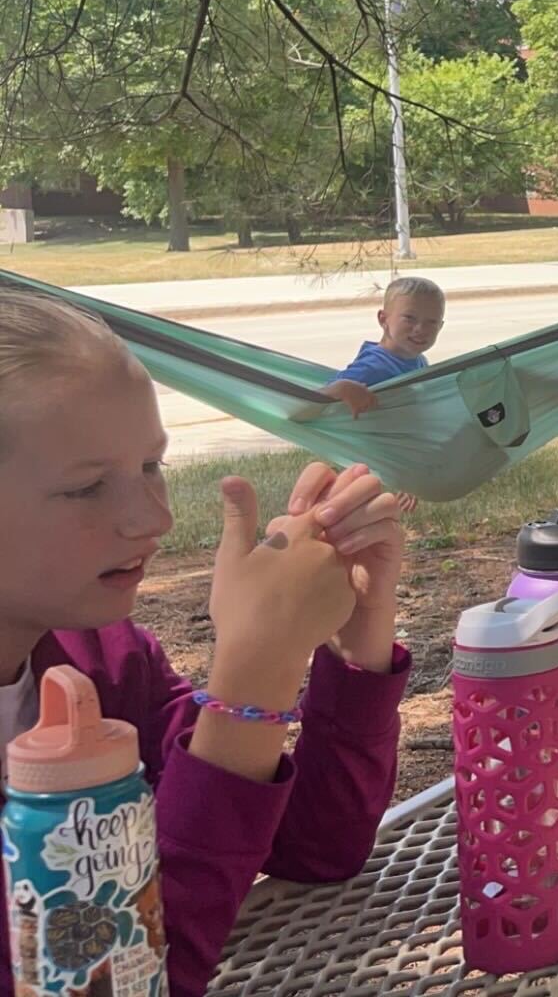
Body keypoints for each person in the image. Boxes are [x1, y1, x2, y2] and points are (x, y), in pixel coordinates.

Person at [0, 291, 412, 997]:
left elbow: (317, 845)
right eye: (89, 487)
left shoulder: (104, 659)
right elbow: (115, 982)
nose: (151, 518)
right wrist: (254, 676)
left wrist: (356, 637)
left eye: (152, 466)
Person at [322, 276, 444, 418]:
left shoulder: (419, 361)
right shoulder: (373, 368)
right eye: (410, 318)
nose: (420, 328)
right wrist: (340, 388)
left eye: (431, 322)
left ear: (440, 326)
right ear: (383, 319)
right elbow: (305, 407)